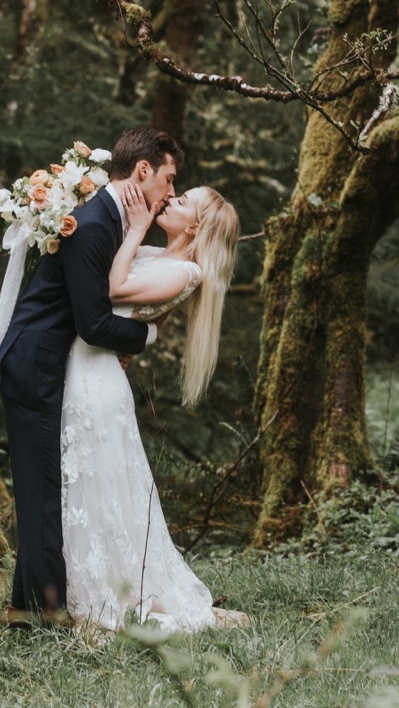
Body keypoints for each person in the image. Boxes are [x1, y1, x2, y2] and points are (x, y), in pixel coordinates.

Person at [0, 127, 181, 621]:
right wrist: (150, 338)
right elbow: (95, 324)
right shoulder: (96, 223)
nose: (171, 193)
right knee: (40, 493)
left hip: (49, 362)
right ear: (144, 171)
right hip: (34, 364)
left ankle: (32, 603)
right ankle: (39, 611)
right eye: (168, 178)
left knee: (45, 486)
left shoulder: (109, 218)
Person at [60, 181, 245, 633]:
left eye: (183, 202)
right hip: (86, 370)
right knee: (93, 488)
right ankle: (83, 586)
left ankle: (102, 598)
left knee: (96, 486)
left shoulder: (186, 272)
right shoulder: (163, 259)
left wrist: (138, 227)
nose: (171, 199)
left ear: (195, 226)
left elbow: (110, 289)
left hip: (97, 383)